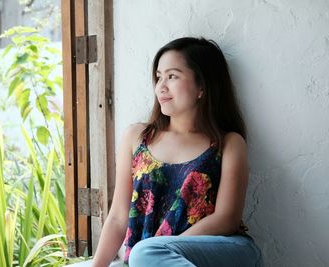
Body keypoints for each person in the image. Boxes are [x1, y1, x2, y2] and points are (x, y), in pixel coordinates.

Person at [92, 37, 263, 267]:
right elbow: (118, 217)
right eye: (159, 77)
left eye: (172, 76)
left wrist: (162, 249)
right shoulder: (137, 137)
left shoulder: (228, 143)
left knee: (144, 254)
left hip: (223, 252)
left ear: (202, 86)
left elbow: (227, 219)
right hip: (152, 258)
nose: (161, 86)